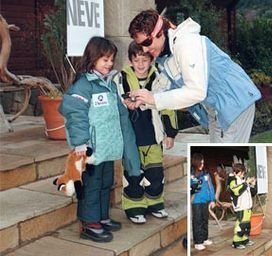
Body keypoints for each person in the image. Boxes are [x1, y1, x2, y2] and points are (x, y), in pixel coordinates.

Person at [128, 9, 261, 143]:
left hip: (235, 101)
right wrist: (143, 101)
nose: (144, 50)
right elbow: (163, 90)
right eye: (140, 45)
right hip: (216, 109)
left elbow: (196, 92)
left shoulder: (187, 44)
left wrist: (153, 99)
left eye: (146, 43)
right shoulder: (165, 56)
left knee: (224, 152)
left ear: (160, 33)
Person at [59, 36, 140, 242]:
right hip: (92, 150)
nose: (109, 64)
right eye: (105, 60)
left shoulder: (110, 83)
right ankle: (89, 223)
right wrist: (80, 143)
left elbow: (115, 111)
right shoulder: (84, 86)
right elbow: (75, 114)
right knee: (92, 186)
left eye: (111, 59)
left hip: (107, 148)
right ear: (93, 58)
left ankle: (101, 217)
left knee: (106, 183)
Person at [116, 41, 178, 224]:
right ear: (130, 61)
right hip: (131, 137)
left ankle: (155, 204)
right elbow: (119, 104)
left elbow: (168, 107)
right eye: (136, 60)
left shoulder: (159, 78)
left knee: (155, 172)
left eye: (145, 60)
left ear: (151, 59)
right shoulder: (121, 79)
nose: (141, 64)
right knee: (133, 173)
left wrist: (171, 133)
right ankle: (134, 207)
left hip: (153, 135)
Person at [227, 163, 257, 249]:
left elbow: (252, 193)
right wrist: (246, 183)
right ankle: (236, 242)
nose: (244, 174)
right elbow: (237, 191)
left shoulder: (242, 180)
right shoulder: (233, 180)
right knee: (240, 224)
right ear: (239, 172)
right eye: (243, 172)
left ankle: (244, 239)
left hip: (247, 206)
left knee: (247, 224)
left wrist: (253, 184)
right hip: (240, 206)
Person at [191, 153, 215, 251]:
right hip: (196, 201)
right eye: (200, 163)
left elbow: (211, 187)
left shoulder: (206, 174)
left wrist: (212, 200)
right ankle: (198, 242)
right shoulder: (191, 175)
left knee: (205, 220)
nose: (202, 165)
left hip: (205, 201)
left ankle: (204, 238)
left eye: (203, 163)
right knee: (197, 221)